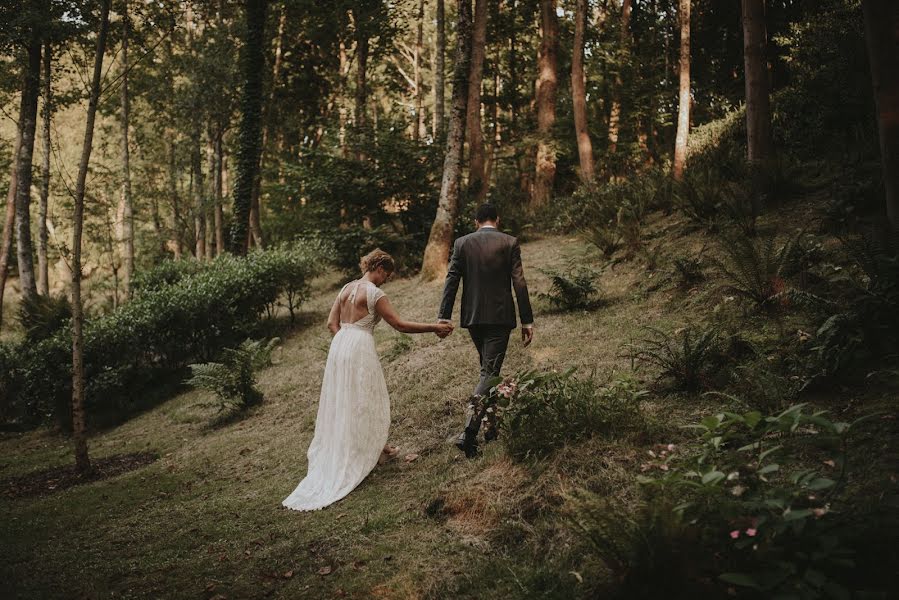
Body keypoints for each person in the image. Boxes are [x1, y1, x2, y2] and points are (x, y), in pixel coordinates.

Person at [283, 249, 453, 511]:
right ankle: (371, 449)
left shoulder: (345, 288)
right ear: (380, 268)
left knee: (346, 398)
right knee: (364, 398)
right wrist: (434, 327)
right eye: (387, 275)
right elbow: (399, 325)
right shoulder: (374, 293)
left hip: (340, 346)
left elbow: (331, 323)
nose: (386, 280)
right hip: (360, 346)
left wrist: (344, 341)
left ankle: (378, 446)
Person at [438, 203, 534, 457]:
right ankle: (468, 433)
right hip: (500, 318)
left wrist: (444, 316)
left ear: (476, 221)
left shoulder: (462, 244)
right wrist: (527, 320)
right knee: (490, 373)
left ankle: (491, 428)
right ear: (498, 219)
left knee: (487, 371)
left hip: (473, 317)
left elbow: (452, 280)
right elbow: (519, 282)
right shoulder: (509, 242)